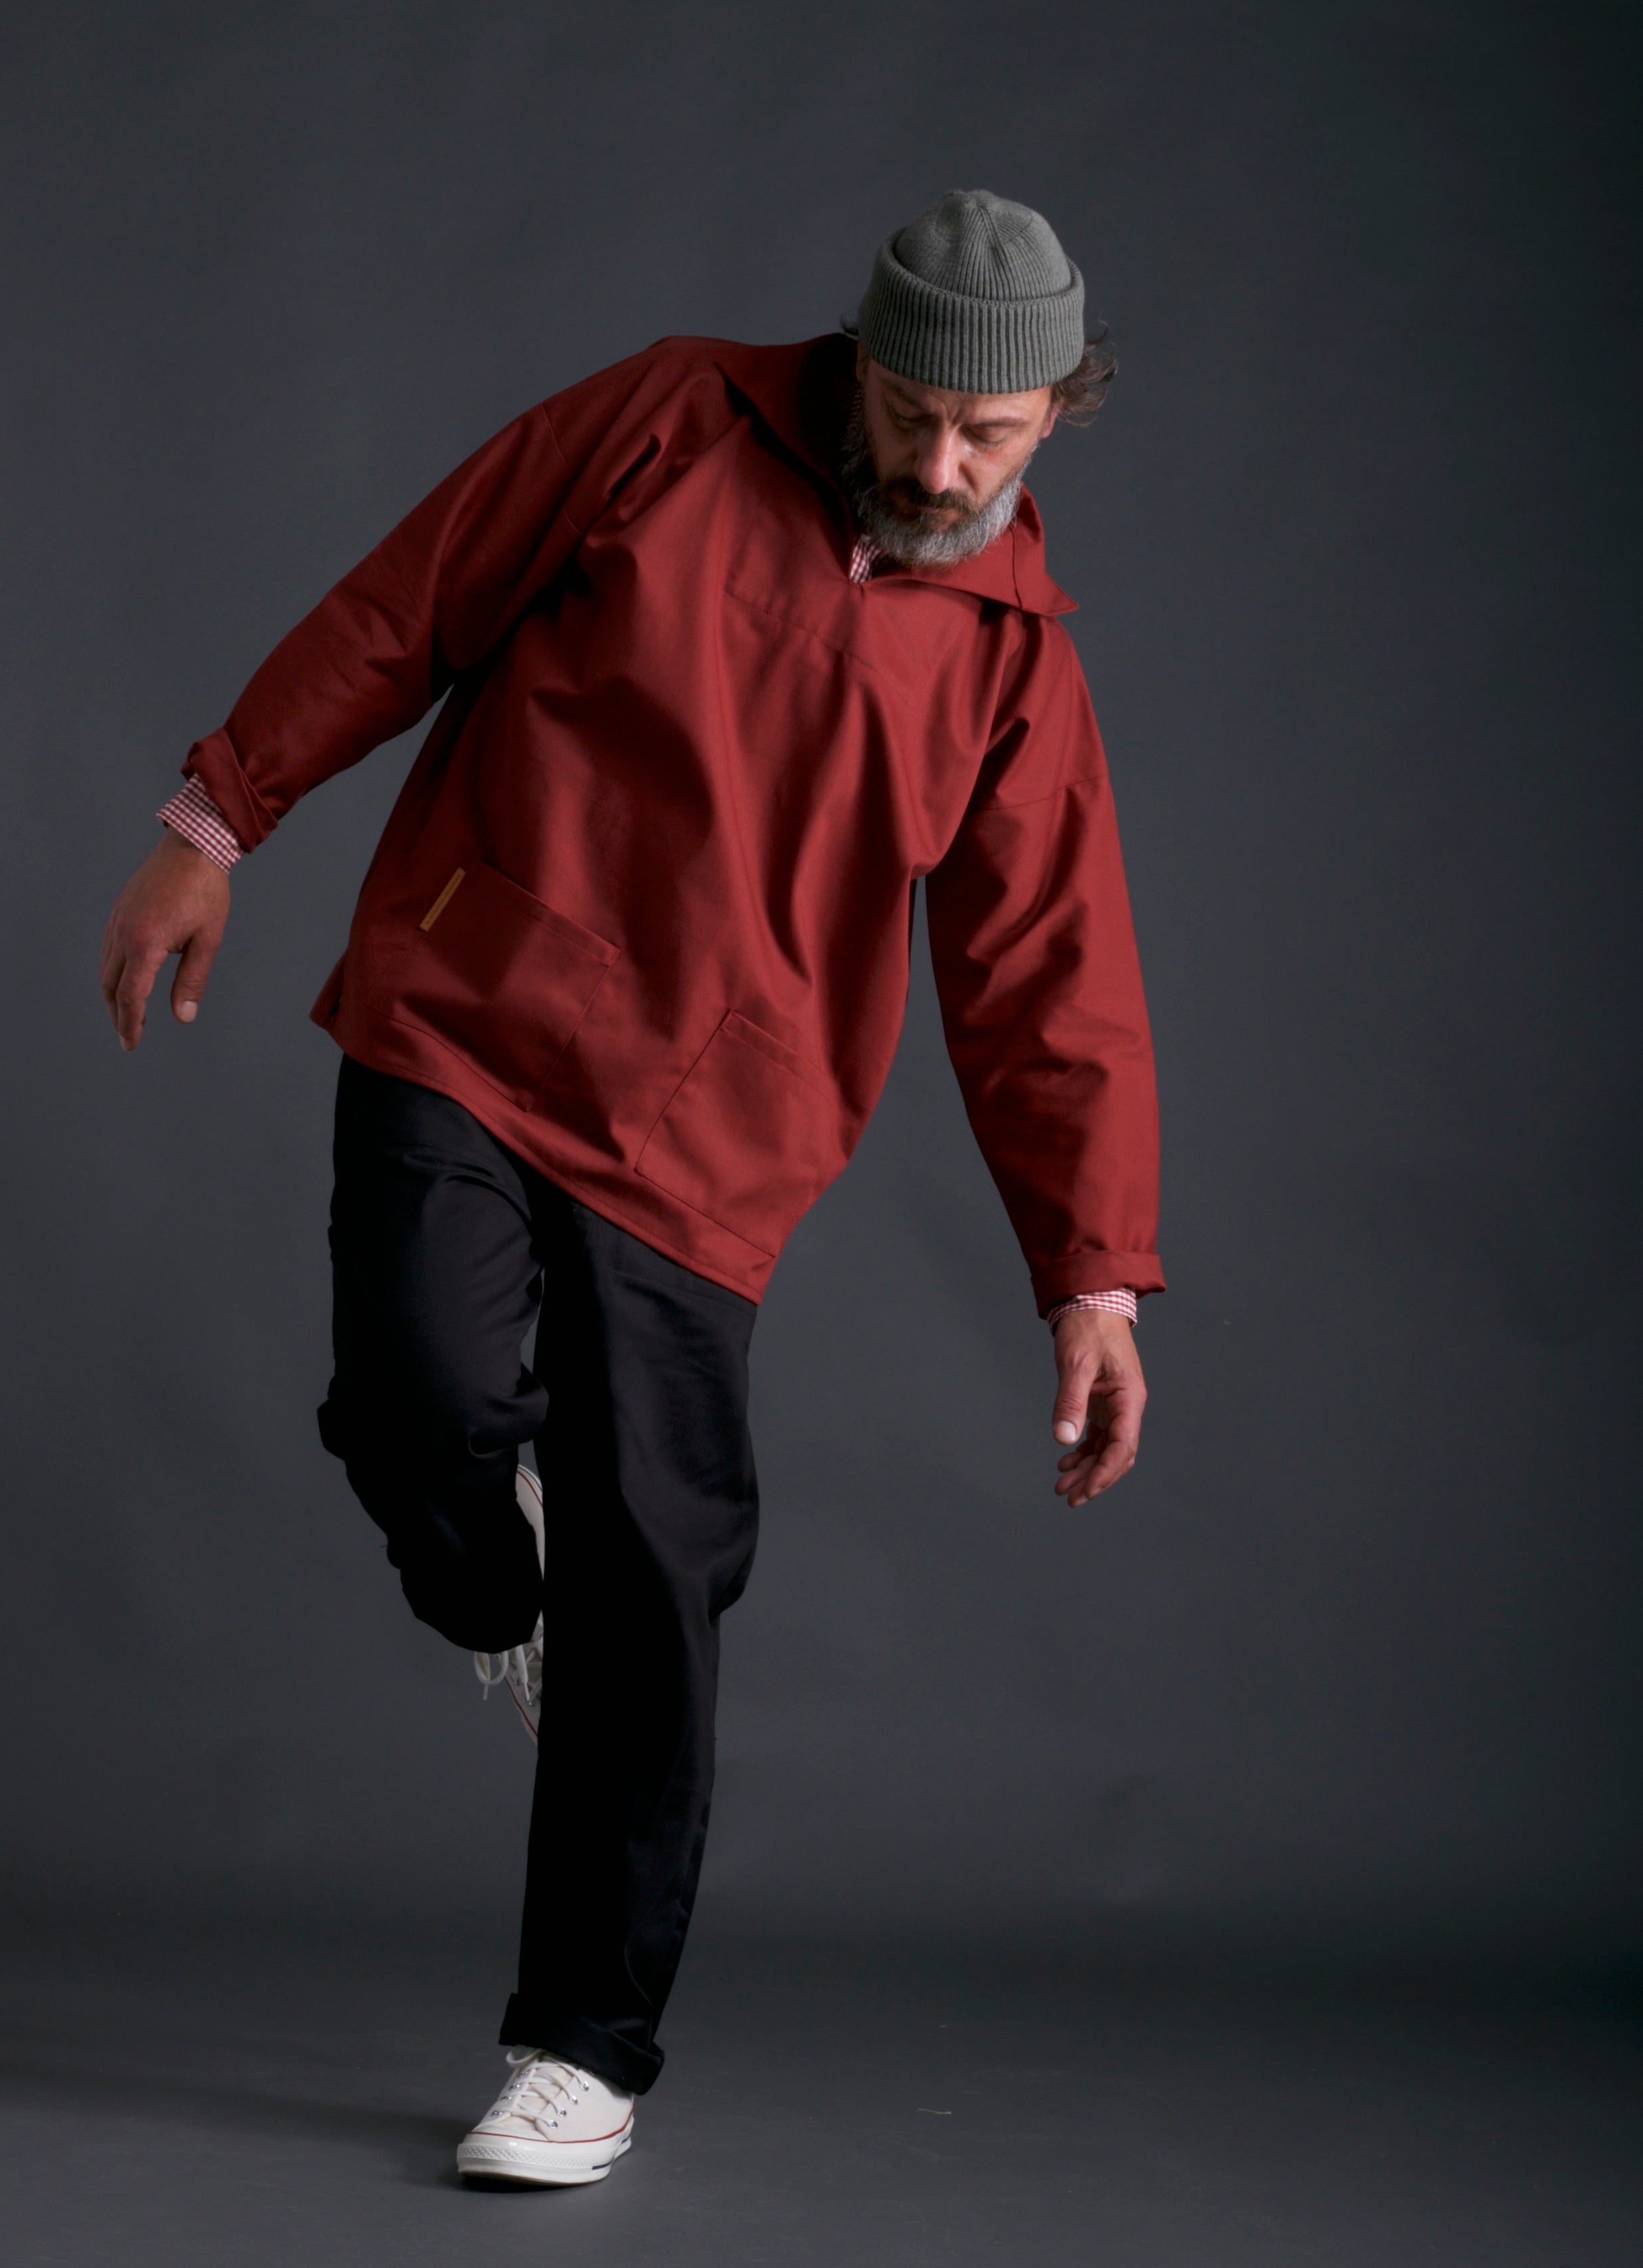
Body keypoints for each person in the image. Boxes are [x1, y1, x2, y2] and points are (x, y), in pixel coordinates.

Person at [99, 189, 1164, 2187]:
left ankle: (581, 2047)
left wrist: (1089, 1276)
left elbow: (1047, 989)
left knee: (654, 1588)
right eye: (915, 414)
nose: (940, 467)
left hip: (711, 1140)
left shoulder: (1017, 655)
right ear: (856, 360)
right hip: (471, 1012)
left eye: (989, 438)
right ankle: (501, 1599)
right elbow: (410, 599)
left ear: (1049, 425)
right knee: (415, 1400)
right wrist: (212, 816)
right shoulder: (666, 420)